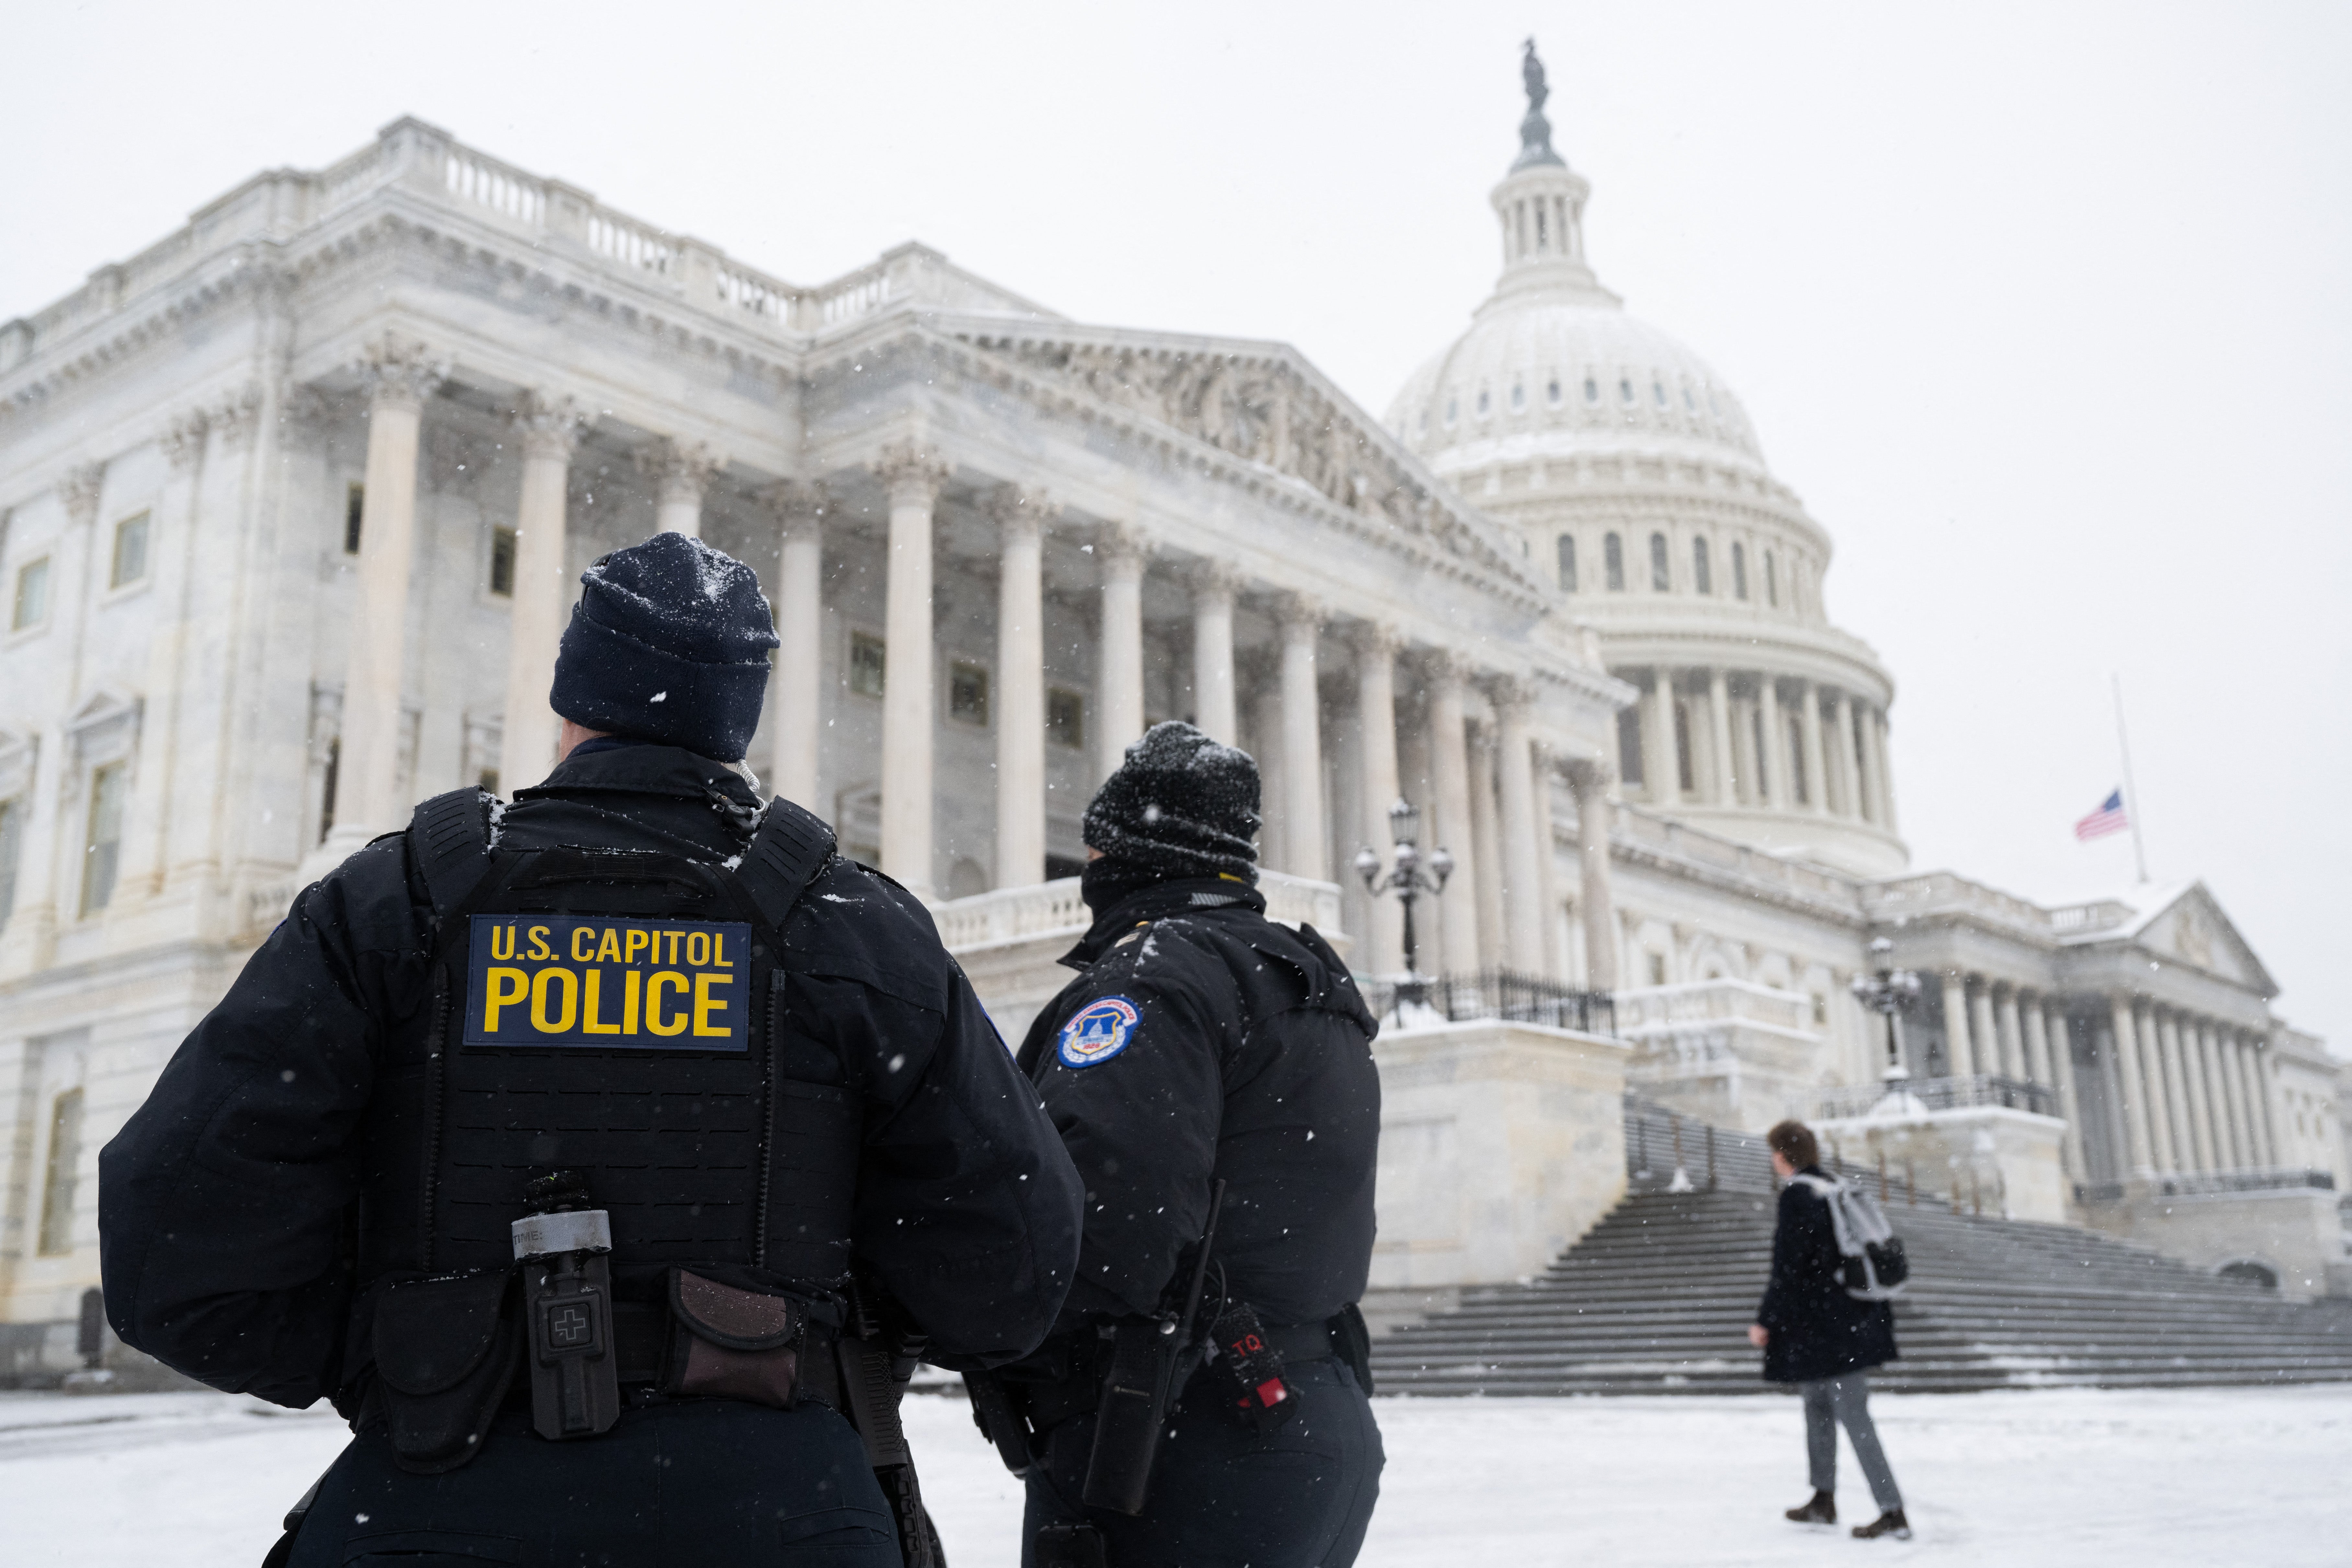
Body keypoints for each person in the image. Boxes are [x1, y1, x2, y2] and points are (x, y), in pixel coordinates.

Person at [99, 532, 1085, 1567]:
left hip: (434, 1494)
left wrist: (416, 1352)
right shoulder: (853, 923)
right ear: (733, 729)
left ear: (571, 707)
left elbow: (178, 1248)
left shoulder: (392, 904)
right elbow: (1013, 1267)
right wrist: (809, 1337)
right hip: (779, 1508)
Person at [972, 722, 1385, 1568]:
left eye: (1095, 850)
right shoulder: (1304, 983)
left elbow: (1105, 1213)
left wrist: (996, 1336)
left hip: (1176, 1430)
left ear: (1126, 855)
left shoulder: (1154, 979)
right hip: (1308, 1408)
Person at [1749, 1118, 1910, 1541]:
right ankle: (1823, 1498)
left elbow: (1788, 1266)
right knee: (1817, 1405)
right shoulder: (1833, 1186)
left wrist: (1766, 1319)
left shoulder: (1799, 1196)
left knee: (1853, 1415)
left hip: (1828, 1324)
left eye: (1773, 1152)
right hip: (1844, 1318)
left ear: (1782, 1155)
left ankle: (1892, 1511)